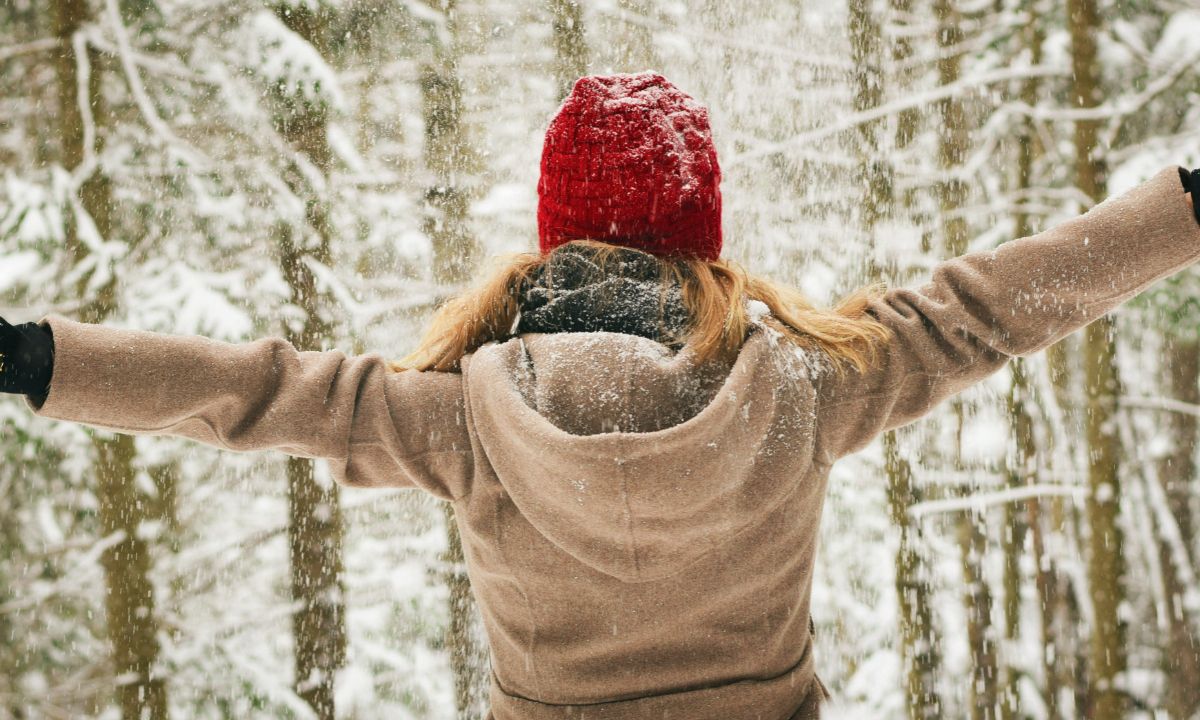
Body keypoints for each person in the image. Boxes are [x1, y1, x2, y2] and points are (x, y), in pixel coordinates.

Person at [2, 71, 1199, 720]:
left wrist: (40, 360)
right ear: (702, 238)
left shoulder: (463, 416)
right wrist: (1184, 206)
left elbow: (256, 394)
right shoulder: (804, 387)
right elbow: (987, 307)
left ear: (551, 236)